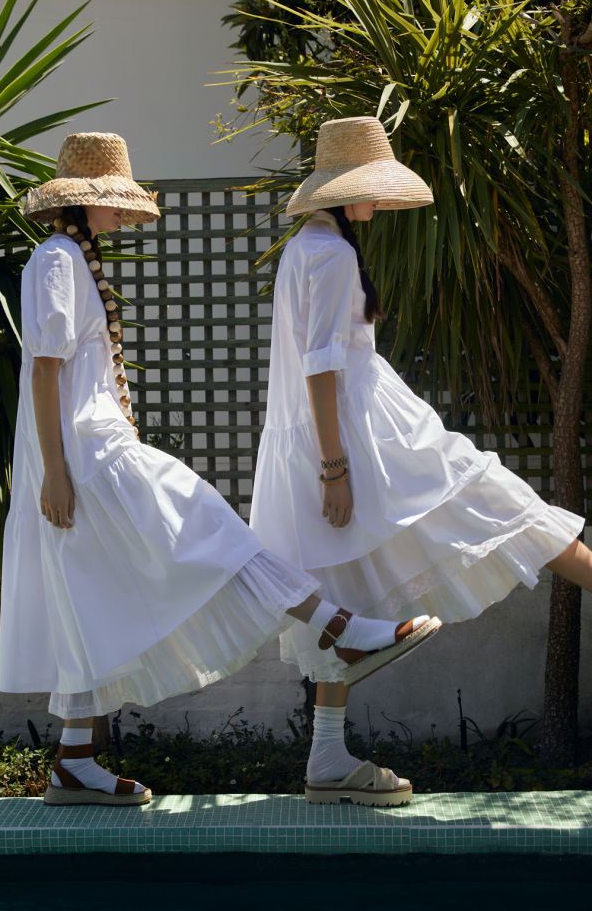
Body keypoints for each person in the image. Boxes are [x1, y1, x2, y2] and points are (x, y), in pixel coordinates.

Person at [0, 131, 440, 808]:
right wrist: (52, 472)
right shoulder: (56, 260)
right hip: (88, 454)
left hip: (94, 446)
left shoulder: (73, 260)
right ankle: (341, 629)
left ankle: (73, 762)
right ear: (82, 202)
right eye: (114, 199)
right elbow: (44, 370)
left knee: (90, 594)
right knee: (207, 522)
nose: (123, 211)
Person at [250, 115, 592, 807]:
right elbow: (320, 366)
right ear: (345, 189)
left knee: (343, 590)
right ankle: (327, 760)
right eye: (370, 186)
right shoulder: (329, 254)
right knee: (507, 505)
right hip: (365, 437)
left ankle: (327, 759)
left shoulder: (307, 248)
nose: (378, 201)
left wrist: (326, 460)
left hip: (339, 434)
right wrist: (335, 468)